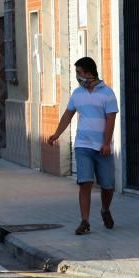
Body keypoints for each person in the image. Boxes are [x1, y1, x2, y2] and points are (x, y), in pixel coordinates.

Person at [47, 57, 118, 235]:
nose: (77, 76)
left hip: (102, 147)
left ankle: (105, 210)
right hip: (82, 145)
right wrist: (56, 134)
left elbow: (111, 120)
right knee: (84, 182)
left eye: (79, 72)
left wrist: (107, 143)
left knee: (107, 185)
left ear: (88, 72)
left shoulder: (107, 93)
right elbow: (67, 116)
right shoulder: (77, 94)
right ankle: (84, 221)